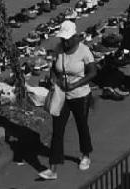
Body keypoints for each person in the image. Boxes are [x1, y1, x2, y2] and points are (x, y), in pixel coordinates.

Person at [36, 21, 96, 179]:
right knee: (57, 130)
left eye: (67, 39)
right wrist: (54, 80)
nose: (65, 42)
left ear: (75, 37)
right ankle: (53, 168)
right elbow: (53, 69)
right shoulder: (59, 49)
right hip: (62, 94)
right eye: (63, 39)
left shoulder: (84, 51)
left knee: (81, 125)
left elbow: (92, 73)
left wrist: (76, 84)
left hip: (80, 95)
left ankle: (85, 155)